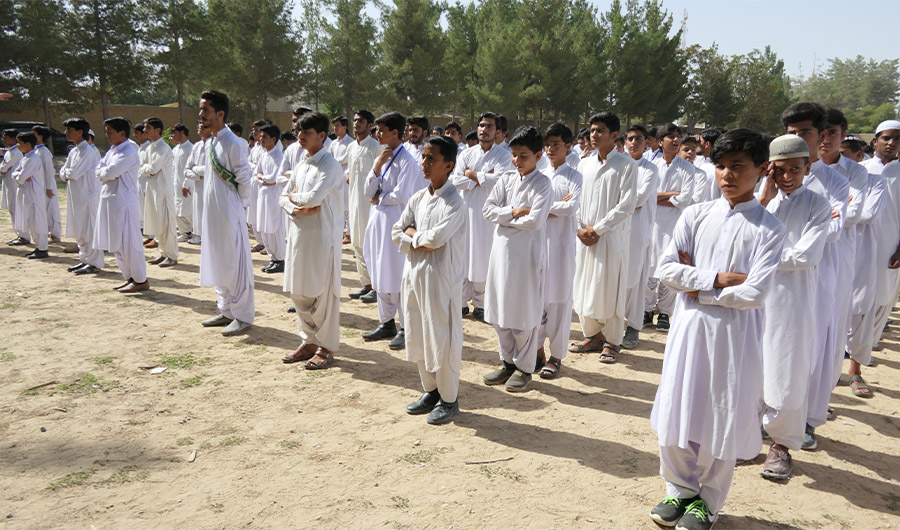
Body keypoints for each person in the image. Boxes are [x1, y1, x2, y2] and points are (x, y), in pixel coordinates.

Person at [649, 129, 785, 530]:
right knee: (679, 406)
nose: (727, 174)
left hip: (733, 336)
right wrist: (717, 279)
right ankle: (679, 488)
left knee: (722, 413)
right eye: (721, 166)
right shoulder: (695, 215)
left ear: (761, 169)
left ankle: (708, 501)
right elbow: (666, 269)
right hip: (688, 330)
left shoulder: (769, 229)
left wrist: (695, 286)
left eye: (738, 166)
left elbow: (755, 292)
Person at [756, 134, 830, 481]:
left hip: (793, 300)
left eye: (794, 170)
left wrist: (760, 259)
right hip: (755, 297)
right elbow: (742, 236)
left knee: (787, 370)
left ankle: (781, 445)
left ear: (807, 167)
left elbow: (805, 255)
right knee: (752, 365)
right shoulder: (760, 201)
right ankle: (747, 435)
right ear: (769, 169)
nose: (787, 177)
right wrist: (763, 199)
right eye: (780, 170)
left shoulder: (817, 204)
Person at [781, 102, 850, 449]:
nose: (797, 138)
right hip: (775, 279)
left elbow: (833, 231)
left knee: (812, 346)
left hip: (818, 276)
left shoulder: (835, 182)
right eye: (791, 132)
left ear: (820, 135)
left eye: (805, 132)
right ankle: (769, 416)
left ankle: (805, 420)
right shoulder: (770, 177)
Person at [393, 135, 467, 424]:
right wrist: (416, 239)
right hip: (413, 274)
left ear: (448, 165)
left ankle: (449, 399)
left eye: (431, 158)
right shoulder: (418, 198)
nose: (424, 163)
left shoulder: (455, 203)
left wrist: (412, 235)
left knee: (442, 338)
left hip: (440, 279)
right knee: (418, 331)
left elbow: (436, 240)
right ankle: (431, 391)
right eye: (423, 157)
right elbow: (396, 230)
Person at [481, 126, 552, 393]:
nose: (517, 161)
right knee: (500, 311)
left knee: (523, 313)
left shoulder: (543, 183)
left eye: (523, 156)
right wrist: (513, 212)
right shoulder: (506, 179)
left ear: (538, 156)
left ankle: (524, 368)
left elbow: (534, 221)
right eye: (514, 155)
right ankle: (507, 362)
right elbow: (487, 210)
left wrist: (505, 219)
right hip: (501, 254)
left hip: (526, 257)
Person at [568, 112, 636, 363]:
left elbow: (626, 206)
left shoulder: (627, 165)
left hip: (610, 238)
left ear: (614, 135)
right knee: (584, 284)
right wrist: (579, 228)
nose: (593, 135)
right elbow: (574, 199)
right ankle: (593, 336)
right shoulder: (584, 164)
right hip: (584, 238)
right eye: (592, 130)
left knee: (609, 286)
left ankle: (613, 341)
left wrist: (597, 229)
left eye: (600, 130)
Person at [279, 112, 345, 370]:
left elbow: (315, 198)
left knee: (322, 294)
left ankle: (326, 347)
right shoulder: (302, 163)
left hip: (322, 238)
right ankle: (308, 341)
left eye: (306, 133)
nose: (300, 137)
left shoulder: (330, 166)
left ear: (321, 135)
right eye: (298, 132)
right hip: (298, 235)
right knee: (299, 291)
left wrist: (294, 199)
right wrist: (295, 204)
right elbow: (283, 196)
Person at [362, 112, 424, 350]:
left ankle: (406, 327)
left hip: (396, 223)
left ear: (395, 132)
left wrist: (380, 197)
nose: (377, 134)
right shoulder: (383, 156)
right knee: (379, 270)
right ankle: (386, 322)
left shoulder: (407, 161)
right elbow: (368, 191)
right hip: (377, 221)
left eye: (381, 130)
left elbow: (401, 195)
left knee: (396, 274)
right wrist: (377, 166)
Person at [197, 90, 254, 336]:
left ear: (220, 114)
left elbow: (244, 179)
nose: (201, 114)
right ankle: (227, 310)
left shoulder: (234, 142)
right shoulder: (211, 142)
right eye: (201, 109)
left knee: (235, 263)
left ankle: (243, 315)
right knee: (218, 259)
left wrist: (239, 209)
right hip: (213, 212)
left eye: (205, 110)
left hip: (230, 211)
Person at [450, 112, 514, 321]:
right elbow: (456, 180)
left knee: (483, 257)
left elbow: (501, 181)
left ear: (498, 132)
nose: (484, 130)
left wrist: (472, 174)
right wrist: (483, 178)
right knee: (463, 256)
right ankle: (460, 302)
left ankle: (481, 303)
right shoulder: (466, 154)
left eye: (489, 126)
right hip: (465, 212)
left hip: (488, 215)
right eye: (482, 125)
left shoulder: (504, 156)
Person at [535, 123, 582, 379]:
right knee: (537, 298)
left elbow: (571, 207)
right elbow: (527, 206)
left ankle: (556, 356)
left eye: (556, 144)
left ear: (568, 147)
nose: (551, 149)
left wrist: (541, 210)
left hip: (562, 247)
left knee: (560, 301)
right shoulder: (539, 174)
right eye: (548, 144)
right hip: (537, 244)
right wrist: (550, 208)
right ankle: (537, 352)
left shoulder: (575, 176)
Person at [646, 123, 695, 331]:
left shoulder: (687, 168)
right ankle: (647, 309)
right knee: (649, 266)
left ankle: (665, 312)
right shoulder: (651, 166)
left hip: (674, 224)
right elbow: (644, 195)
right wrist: (671, 195)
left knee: (669, 264)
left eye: (678, 136)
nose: (676, 140)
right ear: (660, 142)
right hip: (651, 222)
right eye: (671, 136)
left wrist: (656, 197)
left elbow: (685, 199)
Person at [94, 117, 149, 293]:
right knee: (116, 243)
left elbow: (110, 172)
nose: (107, 135)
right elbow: (99, 170)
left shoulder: (129, 152)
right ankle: (129, 278)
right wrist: (105, 173)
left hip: (123, 202)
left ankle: (140, 279)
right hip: (110, 200)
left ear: (122, 133)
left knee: (129, 244)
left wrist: (105, 173)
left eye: (110, 132)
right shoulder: (112, 151)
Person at [622, 125, 659, 349]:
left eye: (639, 139)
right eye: (630, 139)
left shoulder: (650, 169)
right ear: (624, 142)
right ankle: (613, 328)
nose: (634, 142)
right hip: (616, 230)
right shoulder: (619, 166)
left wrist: (617, 202)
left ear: (646, 143)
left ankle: (633, 327)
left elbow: (638, 200)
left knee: (635, 281)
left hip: (637, 231)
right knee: (616, 279)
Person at [60, 117, 103, 274]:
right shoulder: (74, 151)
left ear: (80, 132)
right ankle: (84, 259)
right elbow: (62, 172)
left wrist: (68, 173)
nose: (66, 132)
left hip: (87, 197)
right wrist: (67, 173)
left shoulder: (88, 152)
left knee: (89, 230)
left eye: (70, 130)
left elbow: (74, 173)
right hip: (76, 196)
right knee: (79, 230)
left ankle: (94, 262)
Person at [346, 110, 381, 304]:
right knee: (357, 243)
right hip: (353, 201)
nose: (356, 123)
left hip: (369, 204)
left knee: (370, 245)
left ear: (370, 125)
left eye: (360, 121)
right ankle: (366, 284)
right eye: (355, 120)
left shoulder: (375, 147)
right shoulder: (351, 147)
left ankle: (377, 287)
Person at [140, 117, 179, 268]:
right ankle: (163, 253)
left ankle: (172, 256)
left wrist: (146, 169)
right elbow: (142, 167)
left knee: (166, 225)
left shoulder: (163, 148)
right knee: (156, 223)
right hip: (152, 189)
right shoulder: (149, 148)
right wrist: (147, 169)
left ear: (158, 130)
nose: (145, 131)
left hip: (163, 191)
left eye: (148, 128)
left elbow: (153, 168)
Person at [11, 132, 49, 259]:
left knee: (37, 222)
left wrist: (19, 176)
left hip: (34, 195)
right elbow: (16, 174)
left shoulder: (32, 159)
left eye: (20, 143)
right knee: (31, 222)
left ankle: (42, 248)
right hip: (27, 194)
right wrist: (18, 175)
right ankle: (38, 247)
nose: (18, 145)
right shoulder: (26, 158)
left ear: (28, 144)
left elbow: (21, 177)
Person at [254, 123, 286, 274]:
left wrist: (262, 178)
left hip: (274, 196)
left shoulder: (279, 156)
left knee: (274, 228)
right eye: (260, 137)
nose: (261, 140)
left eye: (264, 137)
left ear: (273, 139)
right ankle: (272, 258)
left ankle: (280, 259)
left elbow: (273, 179)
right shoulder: (263, 155)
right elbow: (256, 174)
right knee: (264, 228)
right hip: (263, 195)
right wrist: (263, 179)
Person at [31, 126, 62, 244]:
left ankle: (55, 234)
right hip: (40, 184)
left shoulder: (44, 152)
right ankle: (47, 231)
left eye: (34, 134)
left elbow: (49, 171)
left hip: (47, 185)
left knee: (51, 209)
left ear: (40, 137)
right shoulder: (36, 151)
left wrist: (49, 187)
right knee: (43, 209)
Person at [184, 123, 211, 245]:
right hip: (198, 185)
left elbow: (211, 168)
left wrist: (196, 169)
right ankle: (200, 235)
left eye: (204, 127)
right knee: (198, 211)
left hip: (210, 186)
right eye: (199, 127)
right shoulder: (197, 146)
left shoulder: (214, 145)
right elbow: (187, 169)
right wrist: (198, 176)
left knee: (209, 212)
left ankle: (209, 237)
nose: (200, 129)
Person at [328, 116, 353, 244]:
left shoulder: (351, 143)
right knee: (337, 205)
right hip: (335, 178)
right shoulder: (333, 143)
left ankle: (349, 233)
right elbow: (329, 158)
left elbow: (345, 160)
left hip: (346, 177)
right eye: (334, 126)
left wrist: (334, 162)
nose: (335, 128)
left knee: (347, 206)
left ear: (344, 127)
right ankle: (339, 231)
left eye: (337, 126)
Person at [1, 129, 25, 245]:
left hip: (14, 184)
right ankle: (19, 234)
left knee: (16, 209)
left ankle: (23, 235)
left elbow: (4, 167)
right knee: (12, 209)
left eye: (5, 138)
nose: (3, 140)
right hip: (8, 184)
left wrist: (2, 169)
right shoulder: (10, 151)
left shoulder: (16, 152)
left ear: (13, 139)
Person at [171, 124, 194, 242]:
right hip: (175, 185)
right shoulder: (176, 149)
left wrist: (186, 184)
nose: (173, 136)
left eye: (175, 133)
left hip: (187, 186)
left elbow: (191, 168)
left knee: (187, 210)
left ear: (182, 133)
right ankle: (184, 232)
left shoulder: (190, 148)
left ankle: (192, 231)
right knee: (177, 209)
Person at [133, 123, 152, 246]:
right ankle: (144, 230)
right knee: (141, 207)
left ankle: (152, 235)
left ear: (145, 134)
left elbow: (149, 167)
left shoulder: (149, 148)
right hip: (139, 182)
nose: (135, 136)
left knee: (148, 209)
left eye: (137, 133)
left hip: (146, 182)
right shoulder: (140, 148)